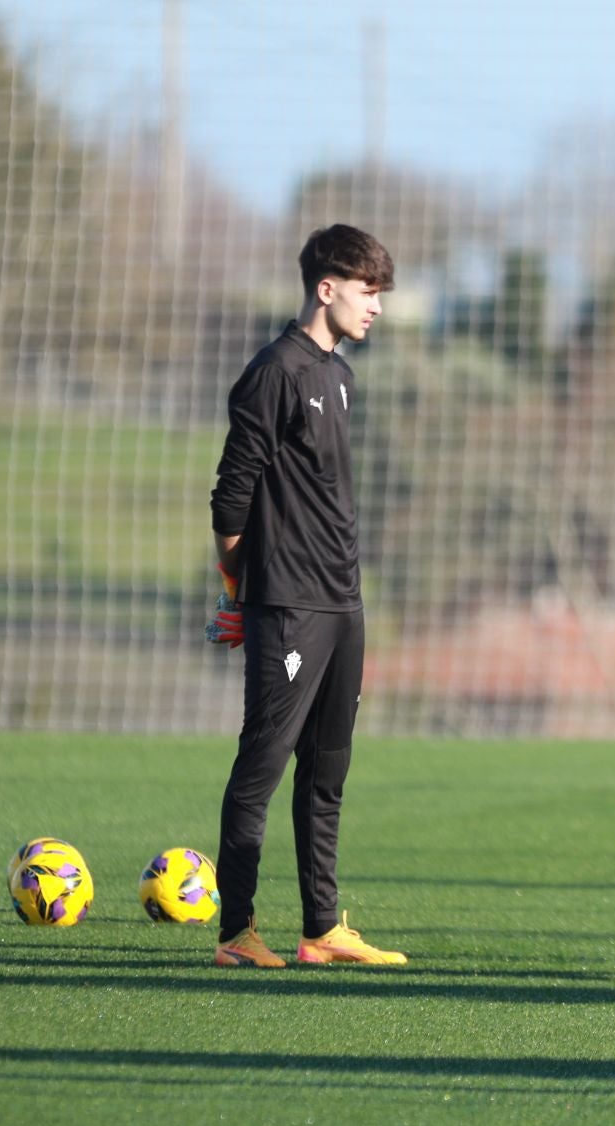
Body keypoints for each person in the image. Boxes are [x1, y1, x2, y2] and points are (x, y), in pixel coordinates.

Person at [203, 224, 406, 968]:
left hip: (343, 605)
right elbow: (231, 498)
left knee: (328, 770)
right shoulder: (274, 372)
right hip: (286, 604)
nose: (376, 306)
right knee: (262, 763)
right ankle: (235, 933)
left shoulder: (341, 377)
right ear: (327, 288)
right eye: (367, 290)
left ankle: (322, 928)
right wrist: (239, 590)